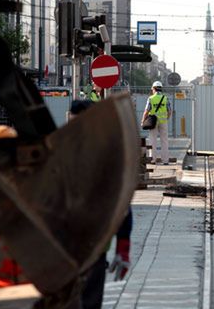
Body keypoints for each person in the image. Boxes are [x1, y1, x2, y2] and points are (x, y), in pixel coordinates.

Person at [69, 100, 133, 309]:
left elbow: (121, 203)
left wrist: (123, 246)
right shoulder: (59, 151)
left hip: (92, 242)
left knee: (88, 299)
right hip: (61, 242)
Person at [141, 81, 172, 165]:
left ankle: (153, 159)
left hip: (153, 122)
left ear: (154, 89)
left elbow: (146, 111)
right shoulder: (165, 98)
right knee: (164, 141)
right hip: (163, 121)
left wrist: (143, 121)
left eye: (152, 89)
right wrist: (166, 118)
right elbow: (169, 111)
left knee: (153, 140)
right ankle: (165, 160)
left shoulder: (151, 98)